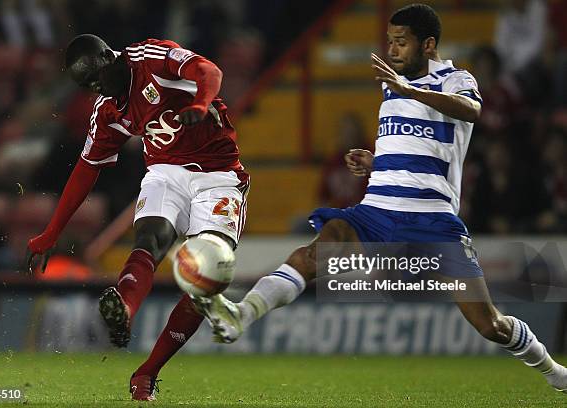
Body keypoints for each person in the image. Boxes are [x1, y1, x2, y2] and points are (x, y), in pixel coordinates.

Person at [193, 4, 567, 394]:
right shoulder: (391, 84)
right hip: (376, 211)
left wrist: (411, 89)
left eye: (401, 42)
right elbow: (412, 141)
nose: (392, 50)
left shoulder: (455, 78)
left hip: (432, 218)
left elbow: (471, 111)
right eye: (389, 41)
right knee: (313, 254)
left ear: (429, 44)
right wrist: (376, 161)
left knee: (490, 324)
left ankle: (554, 371)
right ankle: (241, 315)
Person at [25, 34, 249, 401]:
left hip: (219, 176)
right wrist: (52, 231)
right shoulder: (107, 110)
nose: (98, 91)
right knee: (150, 240)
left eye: (98, 80)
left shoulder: (149, 57)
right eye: (89, 87)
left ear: (108, 57)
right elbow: (86, 169)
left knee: (207, 276)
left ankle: (147, 370)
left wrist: (200, 102)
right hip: (165, 172)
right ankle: (125, 308)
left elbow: (208, 69)